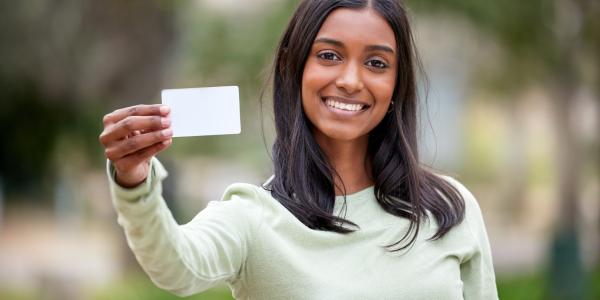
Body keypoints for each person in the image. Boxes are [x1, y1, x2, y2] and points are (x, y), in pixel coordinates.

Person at [99, 0, 498, 299]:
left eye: (377, 63)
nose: (351, 80)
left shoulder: (450, 210)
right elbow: (176, 265)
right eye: (329, 56)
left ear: (397, 84)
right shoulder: (253, 218)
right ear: (293, 67)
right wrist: (134, 181)